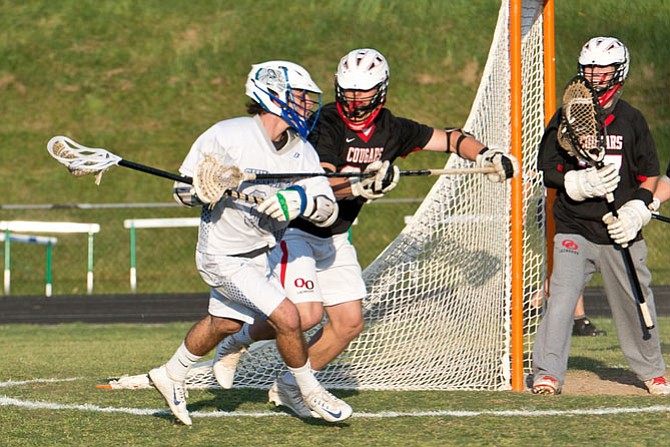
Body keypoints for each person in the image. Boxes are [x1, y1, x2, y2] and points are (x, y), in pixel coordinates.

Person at [211, 48, 519, 417]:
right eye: (348, 91)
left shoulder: (393, 129)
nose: (355, 100)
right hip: (296, 230)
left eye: (364, 92)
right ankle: (236, 340)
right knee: (307, 317)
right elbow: (319, 183)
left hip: (335, 236)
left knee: (349, 323)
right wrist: (359, 185)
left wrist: (486, 156)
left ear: (382, 90)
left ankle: (291, 387)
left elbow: (451, 139)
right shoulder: (324, 123)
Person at [148, 60, 353, 425]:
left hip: (264, 255)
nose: (308, 106)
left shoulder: (301, 150)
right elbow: (181, 190)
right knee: (289, 317)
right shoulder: (227, 135)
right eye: (301, 97)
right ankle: (309, 391)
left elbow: (327, 211)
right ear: (274, 94)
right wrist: (202, 188)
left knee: (222, 324)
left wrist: (301, 202)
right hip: (221, 253)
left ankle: (171, 373)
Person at [532, 37, 669, 395]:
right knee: (561, 299)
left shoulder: (631, 120)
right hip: (574, 226)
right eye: (589, 67)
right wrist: (576, 182)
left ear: (619, 72)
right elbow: (546, 169)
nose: (594, 75)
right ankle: (547, 372)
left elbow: (649, 175)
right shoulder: (565, 117)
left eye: (602, 68)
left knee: (635, 301)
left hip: (620, 231)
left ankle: (652, 369)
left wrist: (638, 210)